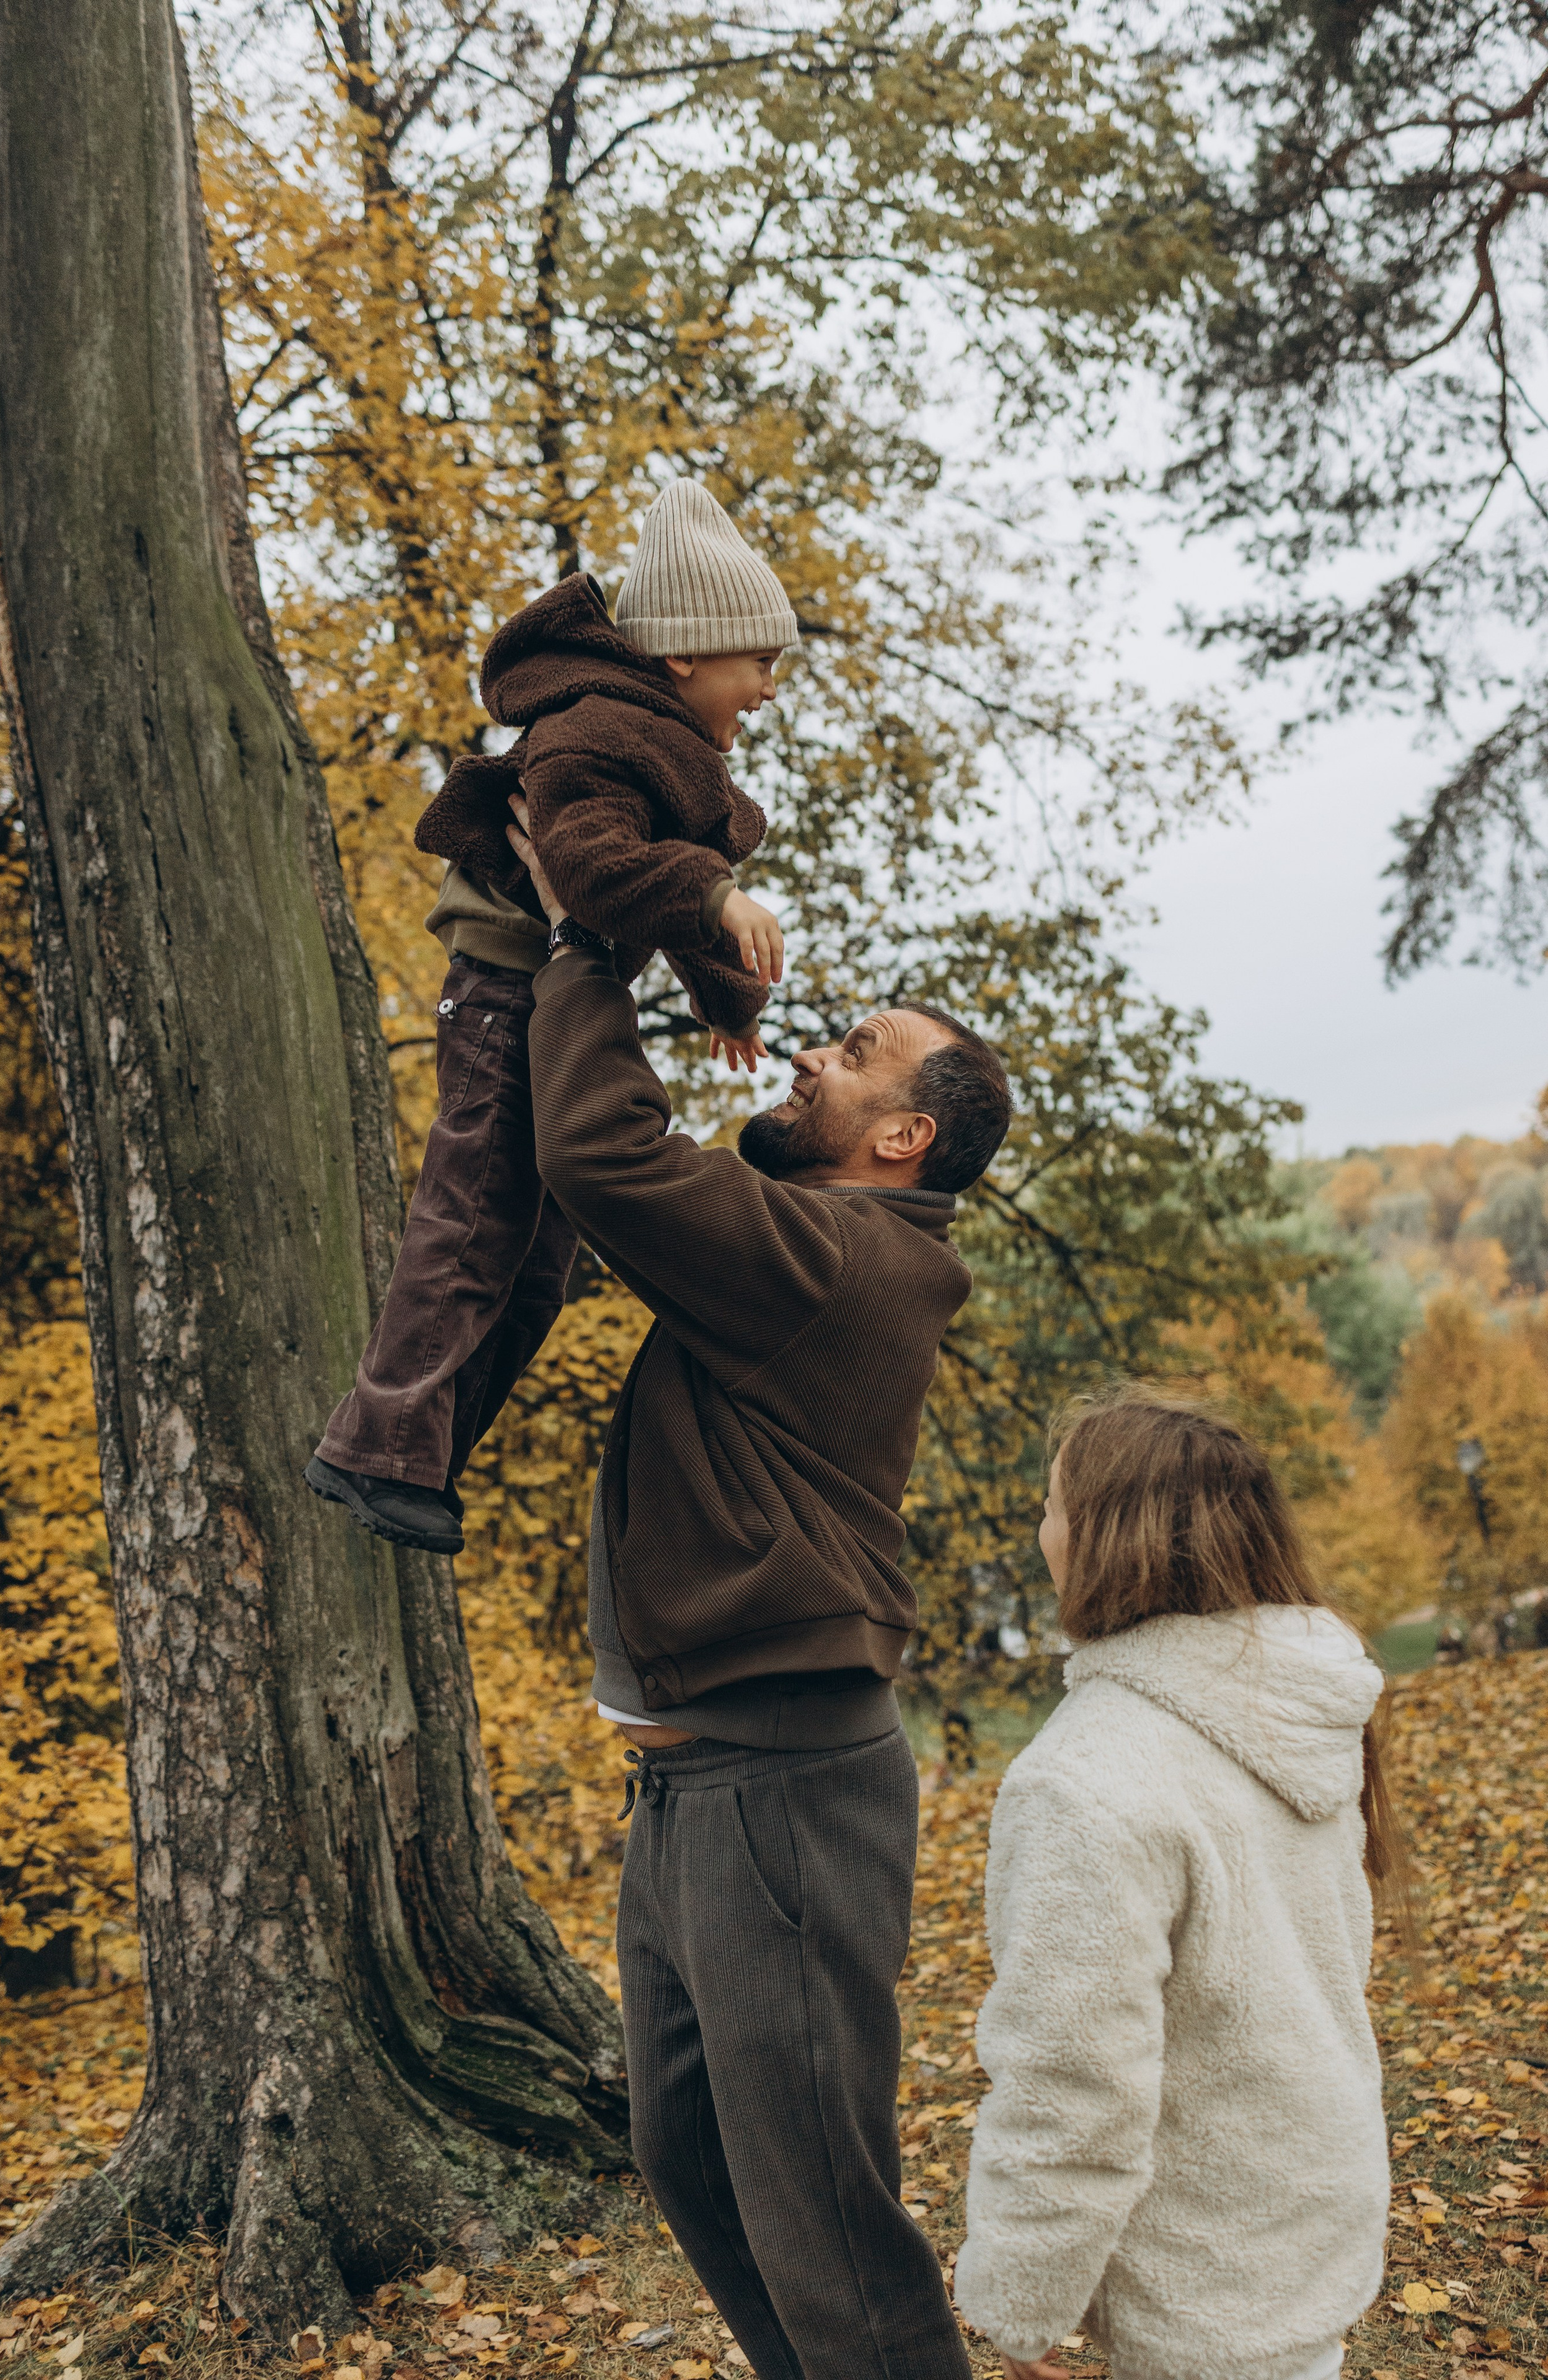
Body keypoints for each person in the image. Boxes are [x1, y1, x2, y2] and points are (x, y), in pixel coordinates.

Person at [506, 788, 1014, 2380]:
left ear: (902, 1138)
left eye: (850, 1053)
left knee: (822, 2215)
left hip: (778, 1783)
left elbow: (599, 1150)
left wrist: (591, 937)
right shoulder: (817, 1240)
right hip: (692, 1789)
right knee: (696, 2162)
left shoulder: (836, 1260)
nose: (813, 1053)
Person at [304, 480, 794, 1556]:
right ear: (686, 656)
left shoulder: (665, 744)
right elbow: (596, 865)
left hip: (558, 1001)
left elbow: (656, 879)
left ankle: (420, 1455)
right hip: (501, 996)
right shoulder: (592, 733)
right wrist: (716, 899)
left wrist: (725, 995)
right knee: (474, 1221)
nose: (767, 690)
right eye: (758, 662)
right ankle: (373, 1451)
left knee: (539, 1263)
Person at [955, 1388, 1394, 2380]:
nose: (1041, 1531)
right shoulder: (1294, 1706)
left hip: (1206, 2276)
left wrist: (1020, 2307)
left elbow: (1074, 2085)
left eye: (1055, 1506)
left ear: (1111, 1538)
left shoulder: (1088, 1778)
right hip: (1311, 2219)